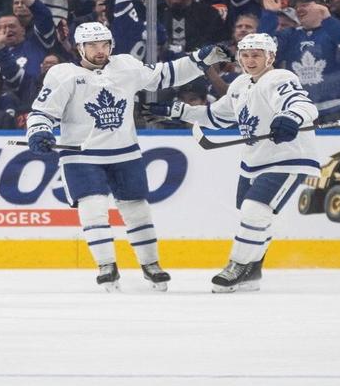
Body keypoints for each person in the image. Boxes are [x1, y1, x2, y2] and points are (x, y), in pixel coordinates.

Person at [25, 21, 231, 290]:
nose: (100, 50)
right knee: (94, 208)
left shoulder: (125, 66)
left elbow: (164, 74)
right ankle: (106, 266)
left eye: (104, 44)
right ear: (79, 48)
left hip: (125, 152)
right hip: (82, 155)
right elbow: (42, 112)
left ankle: (150, 265)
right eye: (92, 45)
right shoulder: (62, 75)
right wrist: (39, 132)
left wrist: (199, 60)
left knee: (138, 210)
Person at [149, 32, 318, 292]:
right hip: (254, 160)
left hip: (287, 157)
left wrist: (291, 117)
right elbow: (217, 118)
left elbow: (302, 103)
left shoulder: (279, 78)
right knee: (255, 216)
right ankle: (252, 273)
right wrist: (178, 111)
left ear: (270, 56)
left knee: (255, 210)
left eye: (257, 55)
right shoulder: (240, 85)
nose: (250, 60)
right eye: (246, 55)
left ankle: (238, 265)